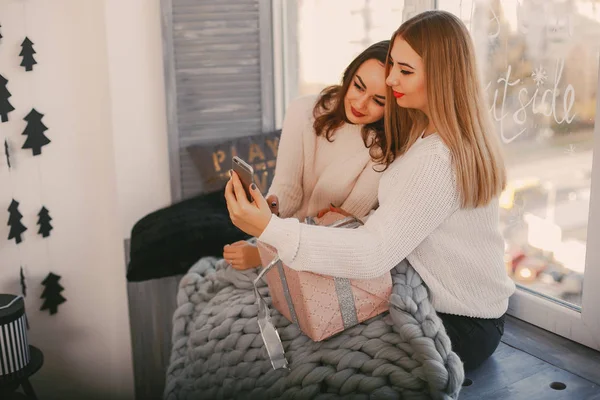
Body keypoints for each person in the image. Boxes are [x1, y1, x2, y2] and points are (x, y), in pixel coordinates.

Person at [224, 10, 516, 371]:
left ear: (442, 77)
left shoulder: (438, 160)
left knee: (314, 360)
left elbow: (374, 253)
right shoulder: (428, 131)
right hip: (434, 298)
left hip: (460, 322)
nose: (392, 78)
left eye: (405, 71)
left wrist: (269, 230)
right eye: (392, 63)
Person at [223, 40, 390, 270]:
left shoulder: (384, 149)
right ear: (349, 76)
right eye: (358, 86)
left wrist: (261, 256)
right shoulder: (302, 110)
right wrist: (272, 209)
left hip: (320, 261)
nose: (361, 103)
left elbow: (343, 230)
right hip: (278, 240)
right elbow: (287, 188)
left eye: (378, 100)